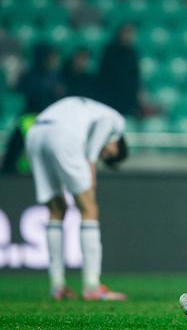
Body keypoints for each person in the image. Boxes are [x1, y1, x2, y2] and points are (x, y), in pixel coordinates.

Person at [25, 96, 129, 301]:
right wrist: (91, 163)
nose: (104, 155)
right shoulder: (117, 122)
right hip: (63, 134)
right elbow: (105, 126)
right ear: (118, 142)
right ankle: (92, 286)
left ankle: (57, 286)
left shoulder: (90, 109)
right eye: (109, 155)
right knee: (89, 208)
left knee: (56, 209)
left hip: (35, 133)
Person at [95, 23, 141, 117]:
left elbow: (135, 76)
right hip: (110, 98)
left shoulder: (133, 53)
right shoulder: (109, 51)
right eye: (127, 32)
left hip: (128, 100)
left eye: (131, 33)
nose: (129, 36)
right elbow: (104, 76)